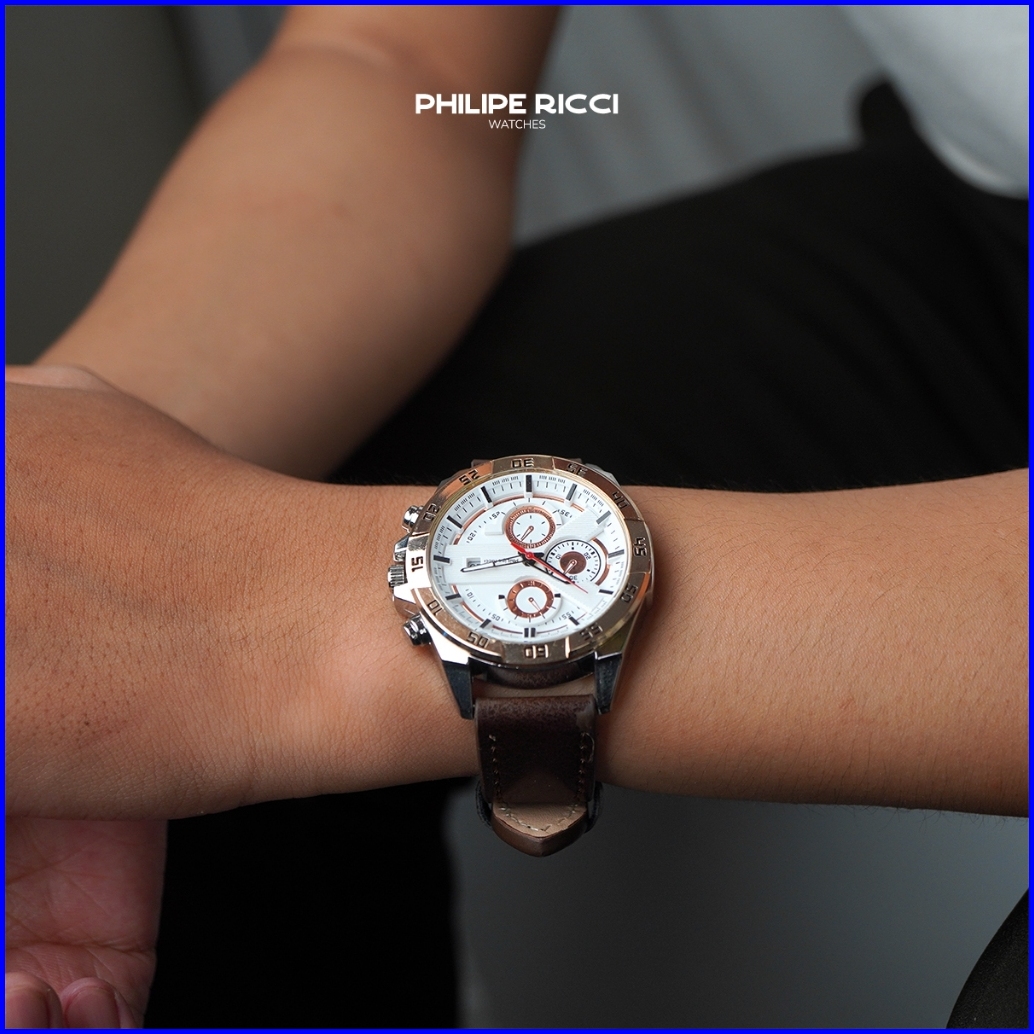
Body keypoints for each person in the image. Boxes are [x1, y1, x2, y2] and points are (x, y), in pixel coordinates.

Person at [5, 6, 1026, 1028]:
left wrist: (296, 632)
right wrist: (76, 521)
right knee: (142, 790)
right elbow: (401, 61)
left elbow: (285, 623)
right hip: (981, 223)